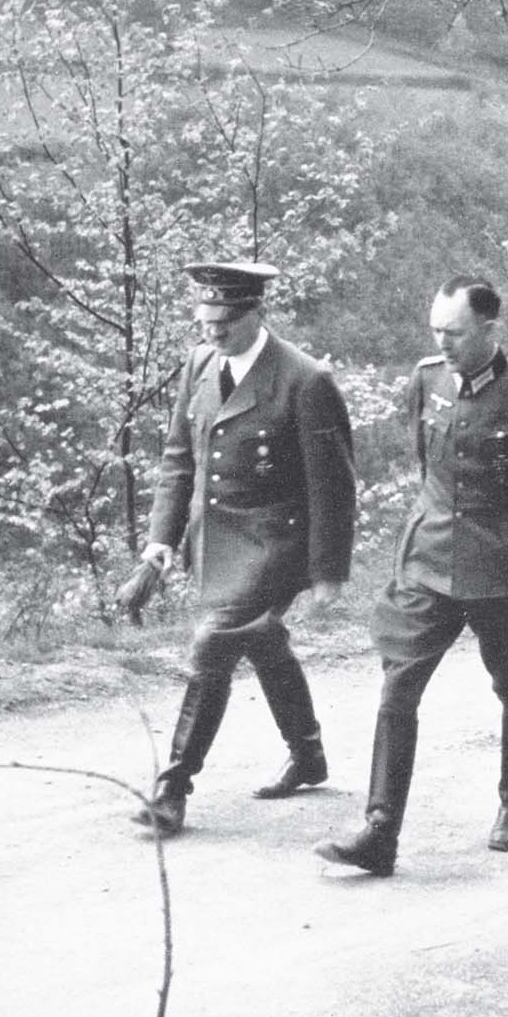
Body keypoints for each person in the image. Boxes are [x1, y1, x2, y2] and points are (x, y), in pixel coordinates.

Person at [314, 275, 508, 876]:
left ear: (491, 329)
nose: (445, 341)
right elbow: (425, 464)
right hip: (429, 559)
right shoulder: (426, 378)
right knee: (397, 688)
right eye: (437, 330)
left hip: (501, 567)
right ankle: (380, 831)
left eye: (456, 332)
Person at [133, 259, 356, 836]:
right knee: (261, 639)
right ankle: (308, 754)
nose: (211, 332)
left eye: (224, 323)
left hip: (275, 544)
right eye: (203, 320)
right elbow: (181, 459)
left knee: (214, 646)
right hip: (217, 539)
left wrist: (329, 570)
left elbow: (333, 485)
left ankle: (172, 787)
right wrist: (160, 542)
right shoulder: (200, 365)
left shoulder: (305, 380)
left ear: (256, 313)